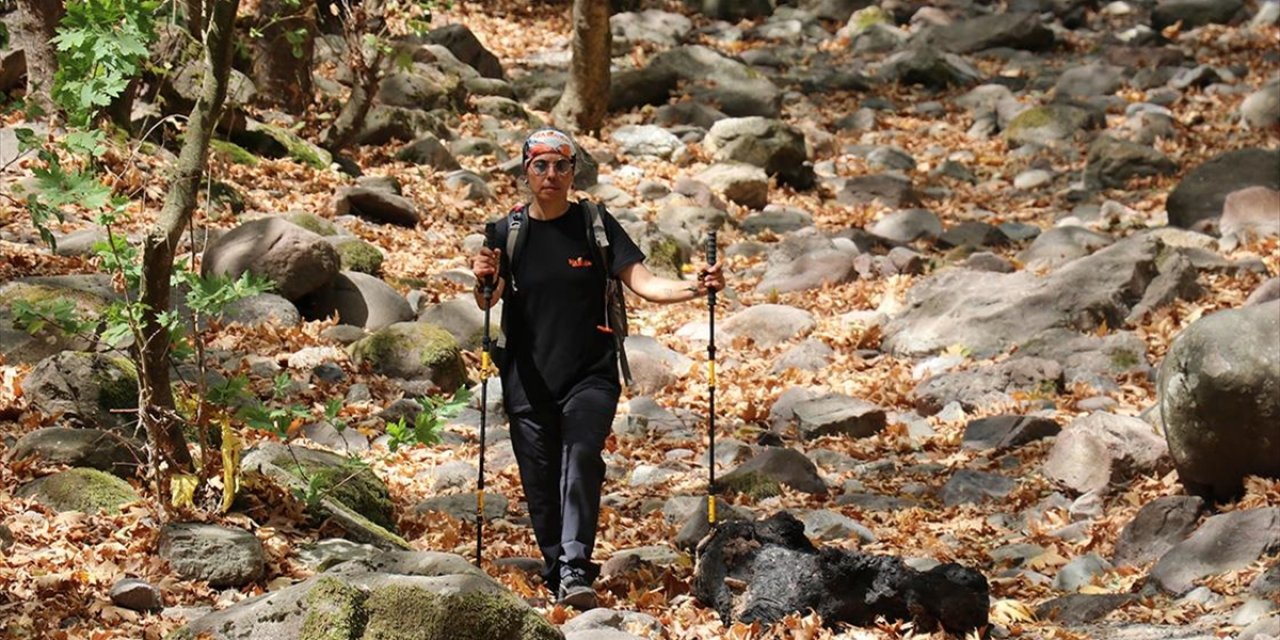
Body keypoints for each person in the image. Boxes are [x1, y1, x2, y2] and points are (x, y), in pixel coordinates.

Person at [470, 128, 725, 610]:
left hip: (592, 370)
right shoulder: (508, 231)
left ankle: (573, 566)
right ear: (526, 171)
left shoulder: (595, 224)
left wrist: (697, 287)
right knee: (540, 480)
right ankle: (555, 568)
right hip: (527, 376)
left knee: (582, 457)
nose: (551, 175)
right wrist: (483, 277)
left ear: (573, 171)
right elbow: (488, 299)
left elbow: (644, 283)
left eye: (561, 165)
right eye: (540, 165)